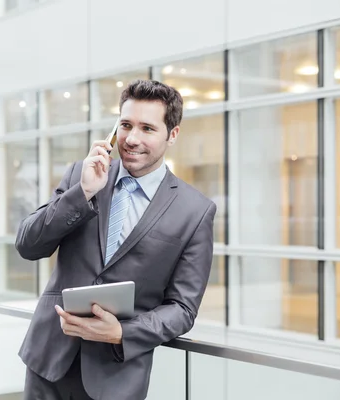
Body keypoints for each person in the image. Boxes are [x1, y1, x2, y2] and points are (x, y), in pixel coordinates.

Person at [15, 79, 217, 400]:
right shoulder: (82, 174)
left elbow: (182, 308)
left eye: (147, 129)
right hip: (48, 362)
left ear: (172, 134)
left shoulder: (195, 211)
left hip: (115, 377)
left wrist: (123, 332)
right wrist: (82, 193)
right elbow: (28, 244)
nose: (132, 139)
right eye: (126, 125)